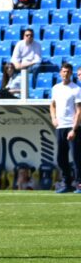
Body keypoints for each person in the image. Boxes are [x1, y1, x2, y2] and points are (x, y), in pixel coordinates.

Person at [50, 63, 81, 193]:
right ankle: (66, 183)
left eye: (68, 72)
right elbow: (52, 105)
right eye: (63, 71)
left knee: (76, 156)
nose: (65, 74)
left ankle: (79, 183)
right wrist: (53, 118)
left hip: (72, 126)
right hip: (60, 127)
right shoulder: (56, 88)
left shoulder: (76, 89)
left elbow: (79, 110)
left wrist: (74, 129)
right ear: (60, 73)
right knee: (61, 158)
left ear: (71, 73)